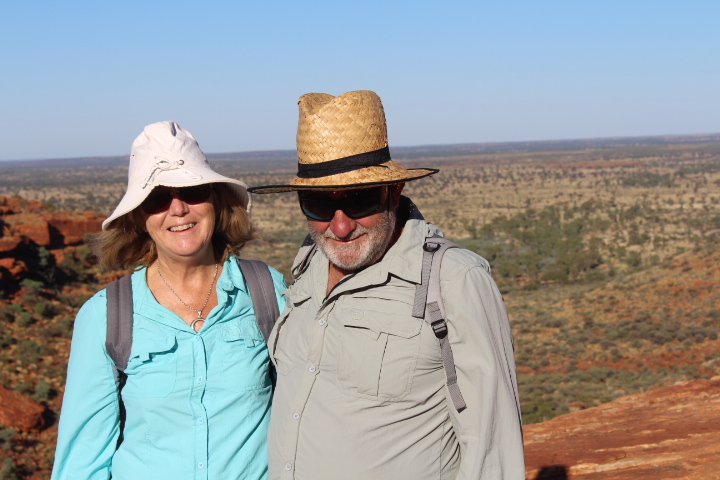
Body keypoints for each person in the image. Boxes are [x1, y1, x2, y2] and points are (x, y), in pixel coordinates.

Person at [248, 91, 525, 479]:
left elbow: (493, 446)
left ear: (394, 190)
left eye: (359, 200)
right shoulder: (309, 259)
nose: (340, 227)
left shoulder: (453, 279)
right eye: (318, 204)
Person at [51, 121, 286, 480]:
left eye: (192, 191)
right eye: (158, 198)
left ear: (216, 200)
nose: (178, 209)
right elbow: (82, 461)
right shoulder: (106, 316)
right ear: (139, 216)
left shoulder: (266, 291)